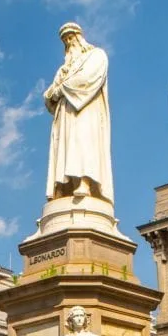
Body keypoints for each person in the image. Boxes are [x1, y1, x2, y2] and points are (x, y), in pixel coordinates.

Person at [44, 22, 113, 203]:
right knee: (66, 147)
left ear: (79, 37)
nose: (69, 42)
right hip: (65, 114)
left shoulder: (96, 55)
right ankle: (64, 186)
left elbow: (88, 79)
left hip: (85, 109)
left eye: (71, 37)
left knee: (84, 143)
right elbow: (50, 92)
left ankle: (85, 182)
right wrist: (52, 93)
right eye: (65, 40)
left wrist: (61, 89)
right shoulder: (63, 69)